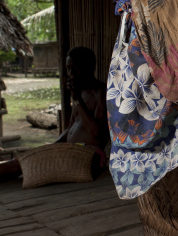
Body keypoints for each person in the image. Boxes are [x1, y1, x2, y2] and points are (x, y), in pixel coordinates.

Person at [0, 46, 108, 180]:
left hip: (90, 155)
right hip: (72, 151)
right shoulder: (81, 92)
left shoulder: (101, 93)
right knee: (28, 159)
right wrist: (51, 147)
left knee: (21, 164)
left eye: (75, 68)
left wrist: (77, 100)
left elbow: (97, 133)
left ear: (88, 68)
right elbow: (70, 129)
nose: (71, 73)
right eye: (68, 68)